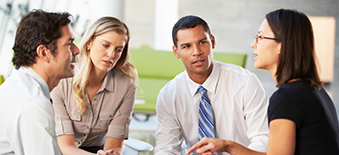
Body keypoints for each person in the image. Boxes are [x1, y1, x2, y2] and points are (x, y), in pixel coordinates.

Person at [186, 9, 339, 155]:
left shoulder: (287, 98)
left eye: (260, 37)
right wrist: (227, 146)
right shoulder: (315, 91)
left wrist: (228, 146)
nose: (253, 43)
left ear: (281, 45)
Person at [154, 15, 269, 155]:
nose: (196, 52)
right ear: (176, 52)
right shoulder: (169, 95)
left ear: (212, 42)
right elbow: (167, 148)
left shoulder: (245, 83)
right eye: (186, 46)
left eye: (202, 42)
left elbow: (263, 141)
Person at [51, 16, 137, 155]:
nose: (111, 54)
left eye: (118, 49)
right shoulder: (62, 79)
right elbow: (66, 147)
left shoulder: (126, 86)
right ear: (89, 43)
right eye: (105, 45)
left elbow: (114, 147)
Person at [0, 9, 79, 154]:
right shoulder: (33, 103)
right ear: (44, 53)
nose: (76, 50)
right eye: (69, 44)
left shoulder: (16, 87)